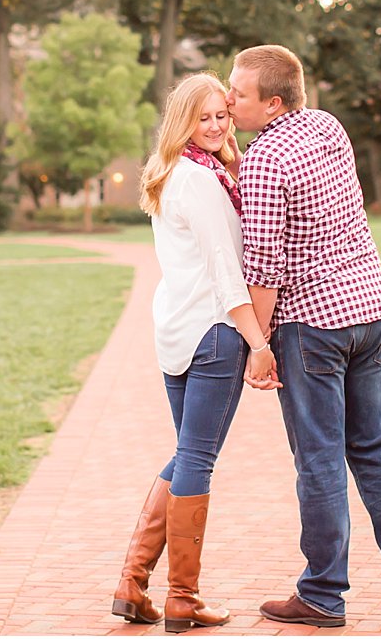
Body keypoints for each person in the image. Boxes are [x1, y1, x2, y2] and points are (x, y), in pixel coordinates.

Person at [228, 44, 381, 628]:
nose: (227, 99)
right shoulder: (327, 125)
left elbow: (264, 267)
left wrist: (259, 345)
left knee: (319, 460)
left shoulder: (267, 156)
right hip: (370, 311)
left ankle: (322, 594)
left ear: (272, 103)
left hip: (313, 325)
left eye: (238, 93)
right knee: (373, 448)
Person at [112, 72, 275, 634]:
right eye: (202, 117)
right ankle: (183, 598)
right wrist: (259, 343)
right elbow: (227, 273)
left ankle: (133, 584)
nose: (214, 125)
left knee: (188, 453)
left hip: (177, 333)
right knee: (198, 459)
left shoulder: (179, 173)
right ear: (183, 120)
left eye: (221, 116)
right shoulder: (203, 182)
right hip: (213, 333)